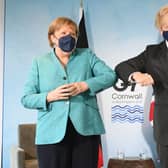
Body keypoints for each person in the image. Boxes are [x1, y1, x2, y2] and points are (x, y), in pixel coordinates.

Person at [21, 17, 116, 168]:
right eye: (64, 32)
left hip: (85, 130)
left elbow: (110, 76)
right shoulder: (39, 62)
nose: (69, 37)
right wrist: (49, 96)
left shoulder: (87, 55)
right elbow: (26, 98)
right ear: (52, 37)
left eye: (73, 34)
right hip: (51, 134)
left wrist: (85, 85)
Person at [115, 5, 168, 168]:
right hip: (166, 131)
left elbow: (159, 77)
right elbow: (122, 67)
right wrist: (136, 75)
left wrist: (156, 77)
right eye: (167, 26)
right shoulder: (152, 53)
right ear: (161, 30)